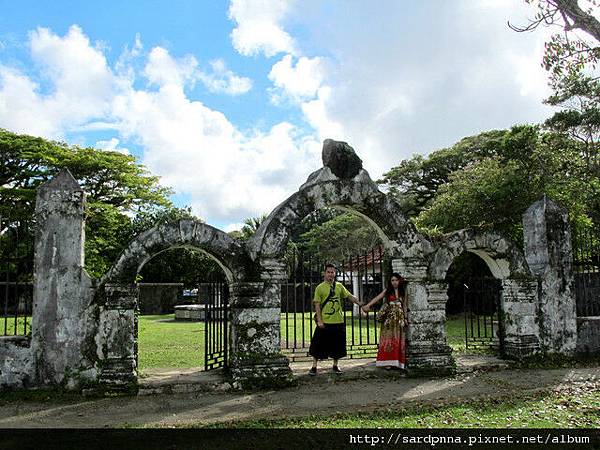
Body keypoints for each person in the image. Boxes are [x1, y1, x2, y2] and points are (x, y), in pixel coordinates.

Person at [308, 263, 362, 375]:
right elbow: (317, 305)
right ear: (324, 273)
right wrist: (319, 320)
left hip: (338, 320)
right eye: (328, 272)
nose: (330, 274)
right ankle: (314, 366)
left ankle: (335, 365)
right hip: (325, 321)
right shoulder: (320, 288)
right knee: (318, 344)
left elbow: (349, 296)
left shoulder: (339, 286)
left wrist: (360, 303)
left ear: (335, 273)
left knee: (337, 345)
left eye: (332, 272)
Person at [361, 273, 408, 370]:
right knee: (388, 340)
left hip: (399, 320)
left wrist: (406, 318)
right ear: (390, 282)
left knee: (397, 340)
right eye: (392, 280)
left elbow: (405, 306)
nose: (394, 282)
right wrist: (368, 305)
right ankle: (387, 362)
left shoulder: (403, 292)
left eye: (396, 280)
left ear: (399, 281)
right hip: (389, 320)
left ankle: (397, 362)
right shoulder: (388, 291)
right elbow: (377, 298)